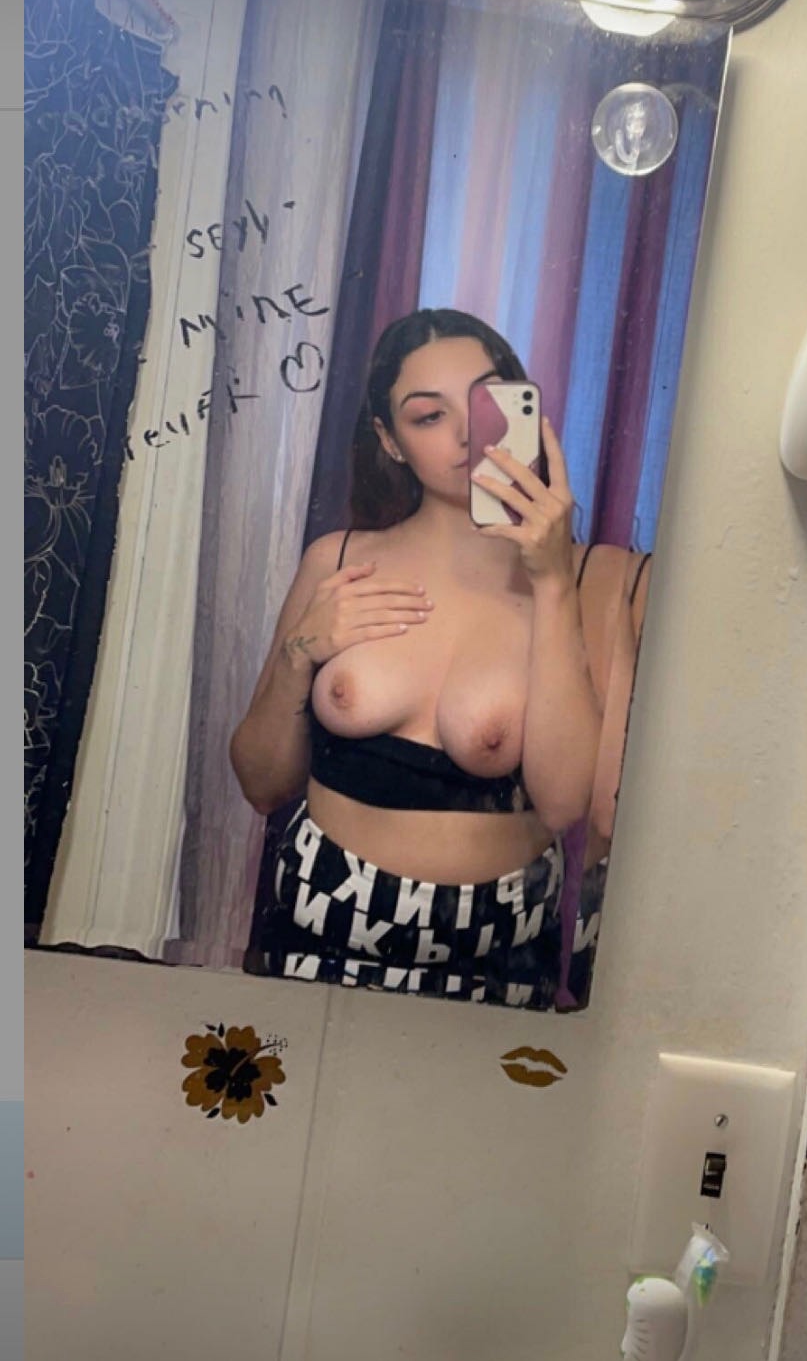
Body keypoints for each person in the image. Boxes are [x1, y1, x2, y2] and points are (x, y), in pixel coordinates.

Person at [230, 308, 649, 1009]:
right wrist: (301, 654)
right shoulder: (338, 560)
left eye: (485, 405)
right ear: (389, 441)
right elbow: (261, 784)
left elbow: (563, 803)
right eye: (428, 416)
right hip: (312, 925)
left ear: (523, 409)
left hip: (496, 958)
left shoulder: (601, 580)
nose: (464, 435)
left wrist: (551, 583)